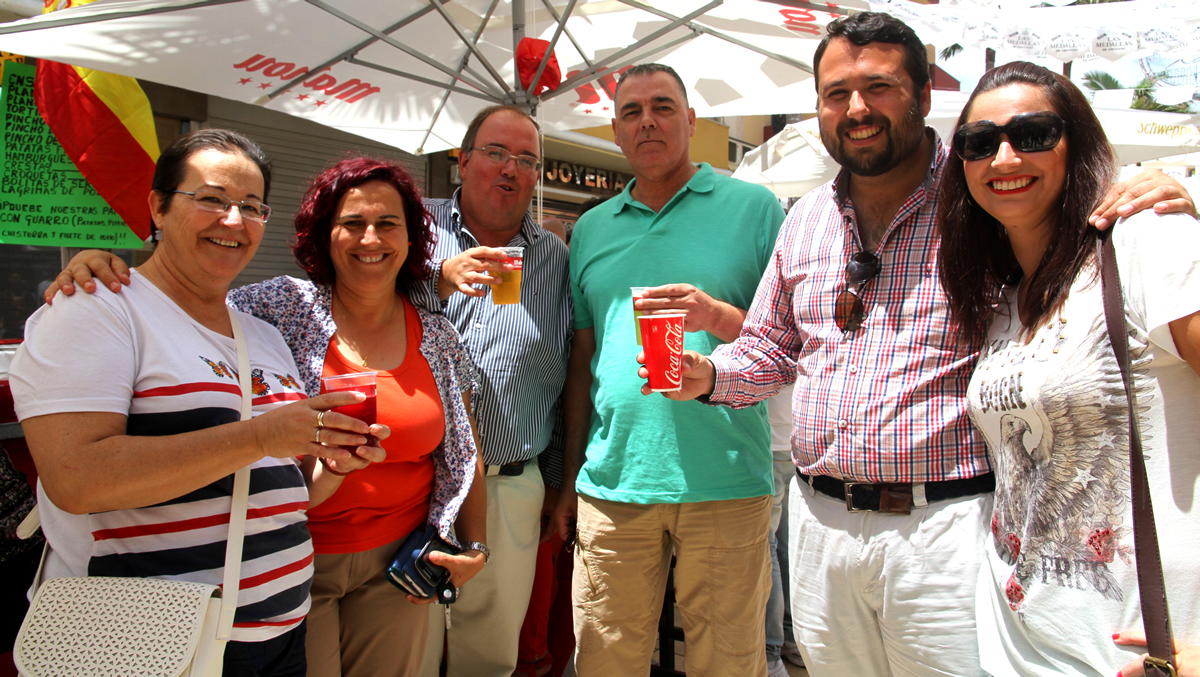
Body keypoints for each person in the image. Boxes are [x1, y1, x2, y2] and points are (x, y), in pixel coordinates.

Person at [645, 13, 1197, 677]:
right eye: (835, 93)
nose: (856, 109)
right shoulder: (805, 220)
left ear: (925, 94)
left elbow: (1079, 224)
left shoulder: (982, 197)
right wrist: (702, 374)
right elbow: (769, 349)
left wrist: (1161, 193)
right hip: (820, 524)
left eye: (878, 87)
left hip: (948, 528)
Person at [46, 105, 572, 677]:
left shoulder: (448, 324)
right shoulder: (277, 311)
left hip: (395, 560)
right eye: (351, 223)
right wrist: (103, 271)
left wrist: (476, 542)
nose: (370, 239)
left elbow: (464, 444)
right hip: (283, 561)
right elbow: (187, 301)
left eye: (248, 207)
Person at [9, 129, 388, 676]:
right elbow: (76, 478)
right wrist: (261, 435)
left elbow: (274, 490)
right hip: (147, 642)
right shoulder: (94, 312)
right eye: (211, 199)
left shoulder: (262, 336)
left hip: (280, 631)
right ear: (158, 208)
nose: (233, 221)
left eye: (253, 208)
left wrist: (332, 466)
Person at [936, 60, 1200, 677]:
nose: (1004, 158)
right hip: (1015, 638)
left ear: (1076, 144)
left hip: (1139, 645)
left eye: (1033, 135)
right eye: (979, 143)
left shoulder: (1141, 241)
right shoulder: (1002, 300)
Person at [562, 63, 785, 677]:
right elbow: (582, 364)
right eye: (631, 112)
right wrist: (571, 473)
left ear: (691, 120)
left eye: (663, 107)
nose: (648, 122)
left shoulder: (756, 209)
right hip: (613, 483)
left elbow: (792, 338)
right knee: (606, 658)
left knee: (730, 660)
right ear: (615, 131)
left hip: (728, 475)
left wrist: (714, 315)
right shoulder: (590, 229)